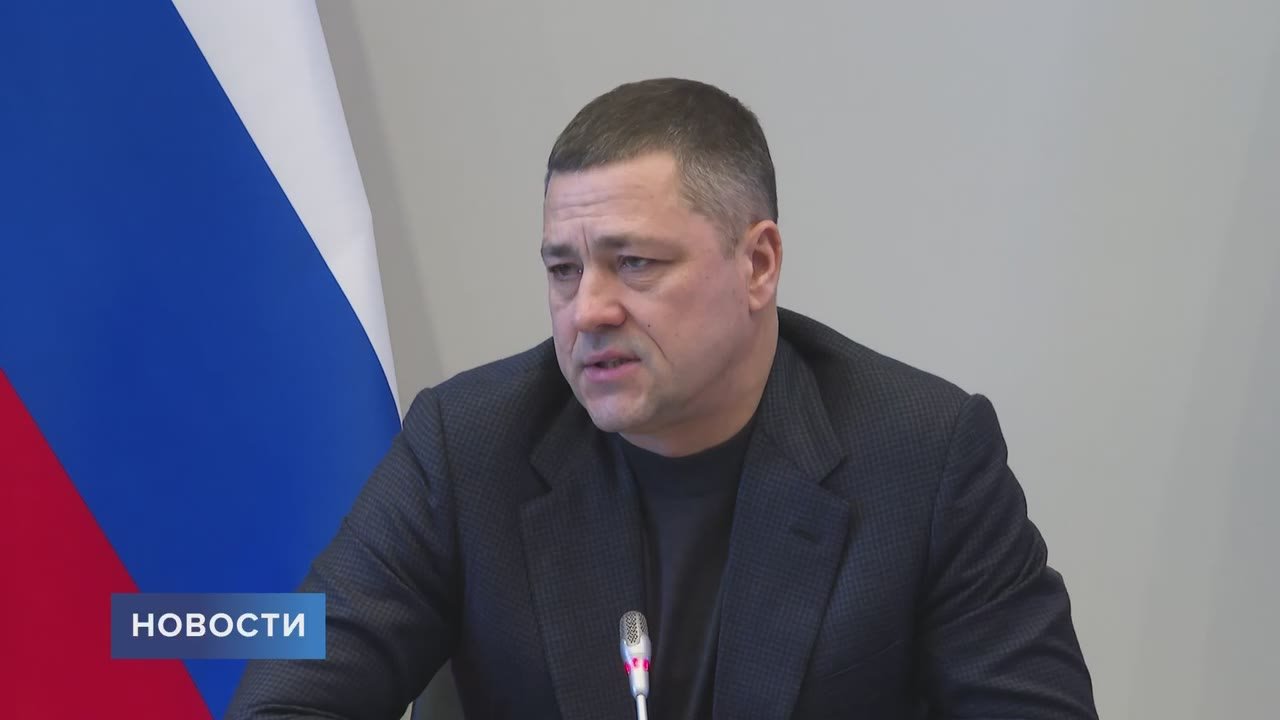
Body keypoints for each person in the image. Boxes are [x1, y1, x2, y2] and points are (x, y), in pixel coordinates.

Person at [228, 78, 1097, 719]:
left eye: (635, 263)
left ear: (758, 264)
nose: (588, 310)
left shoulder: (923, 456)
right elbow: (291, 692)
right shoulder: (467, 444)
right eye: (562, 270)